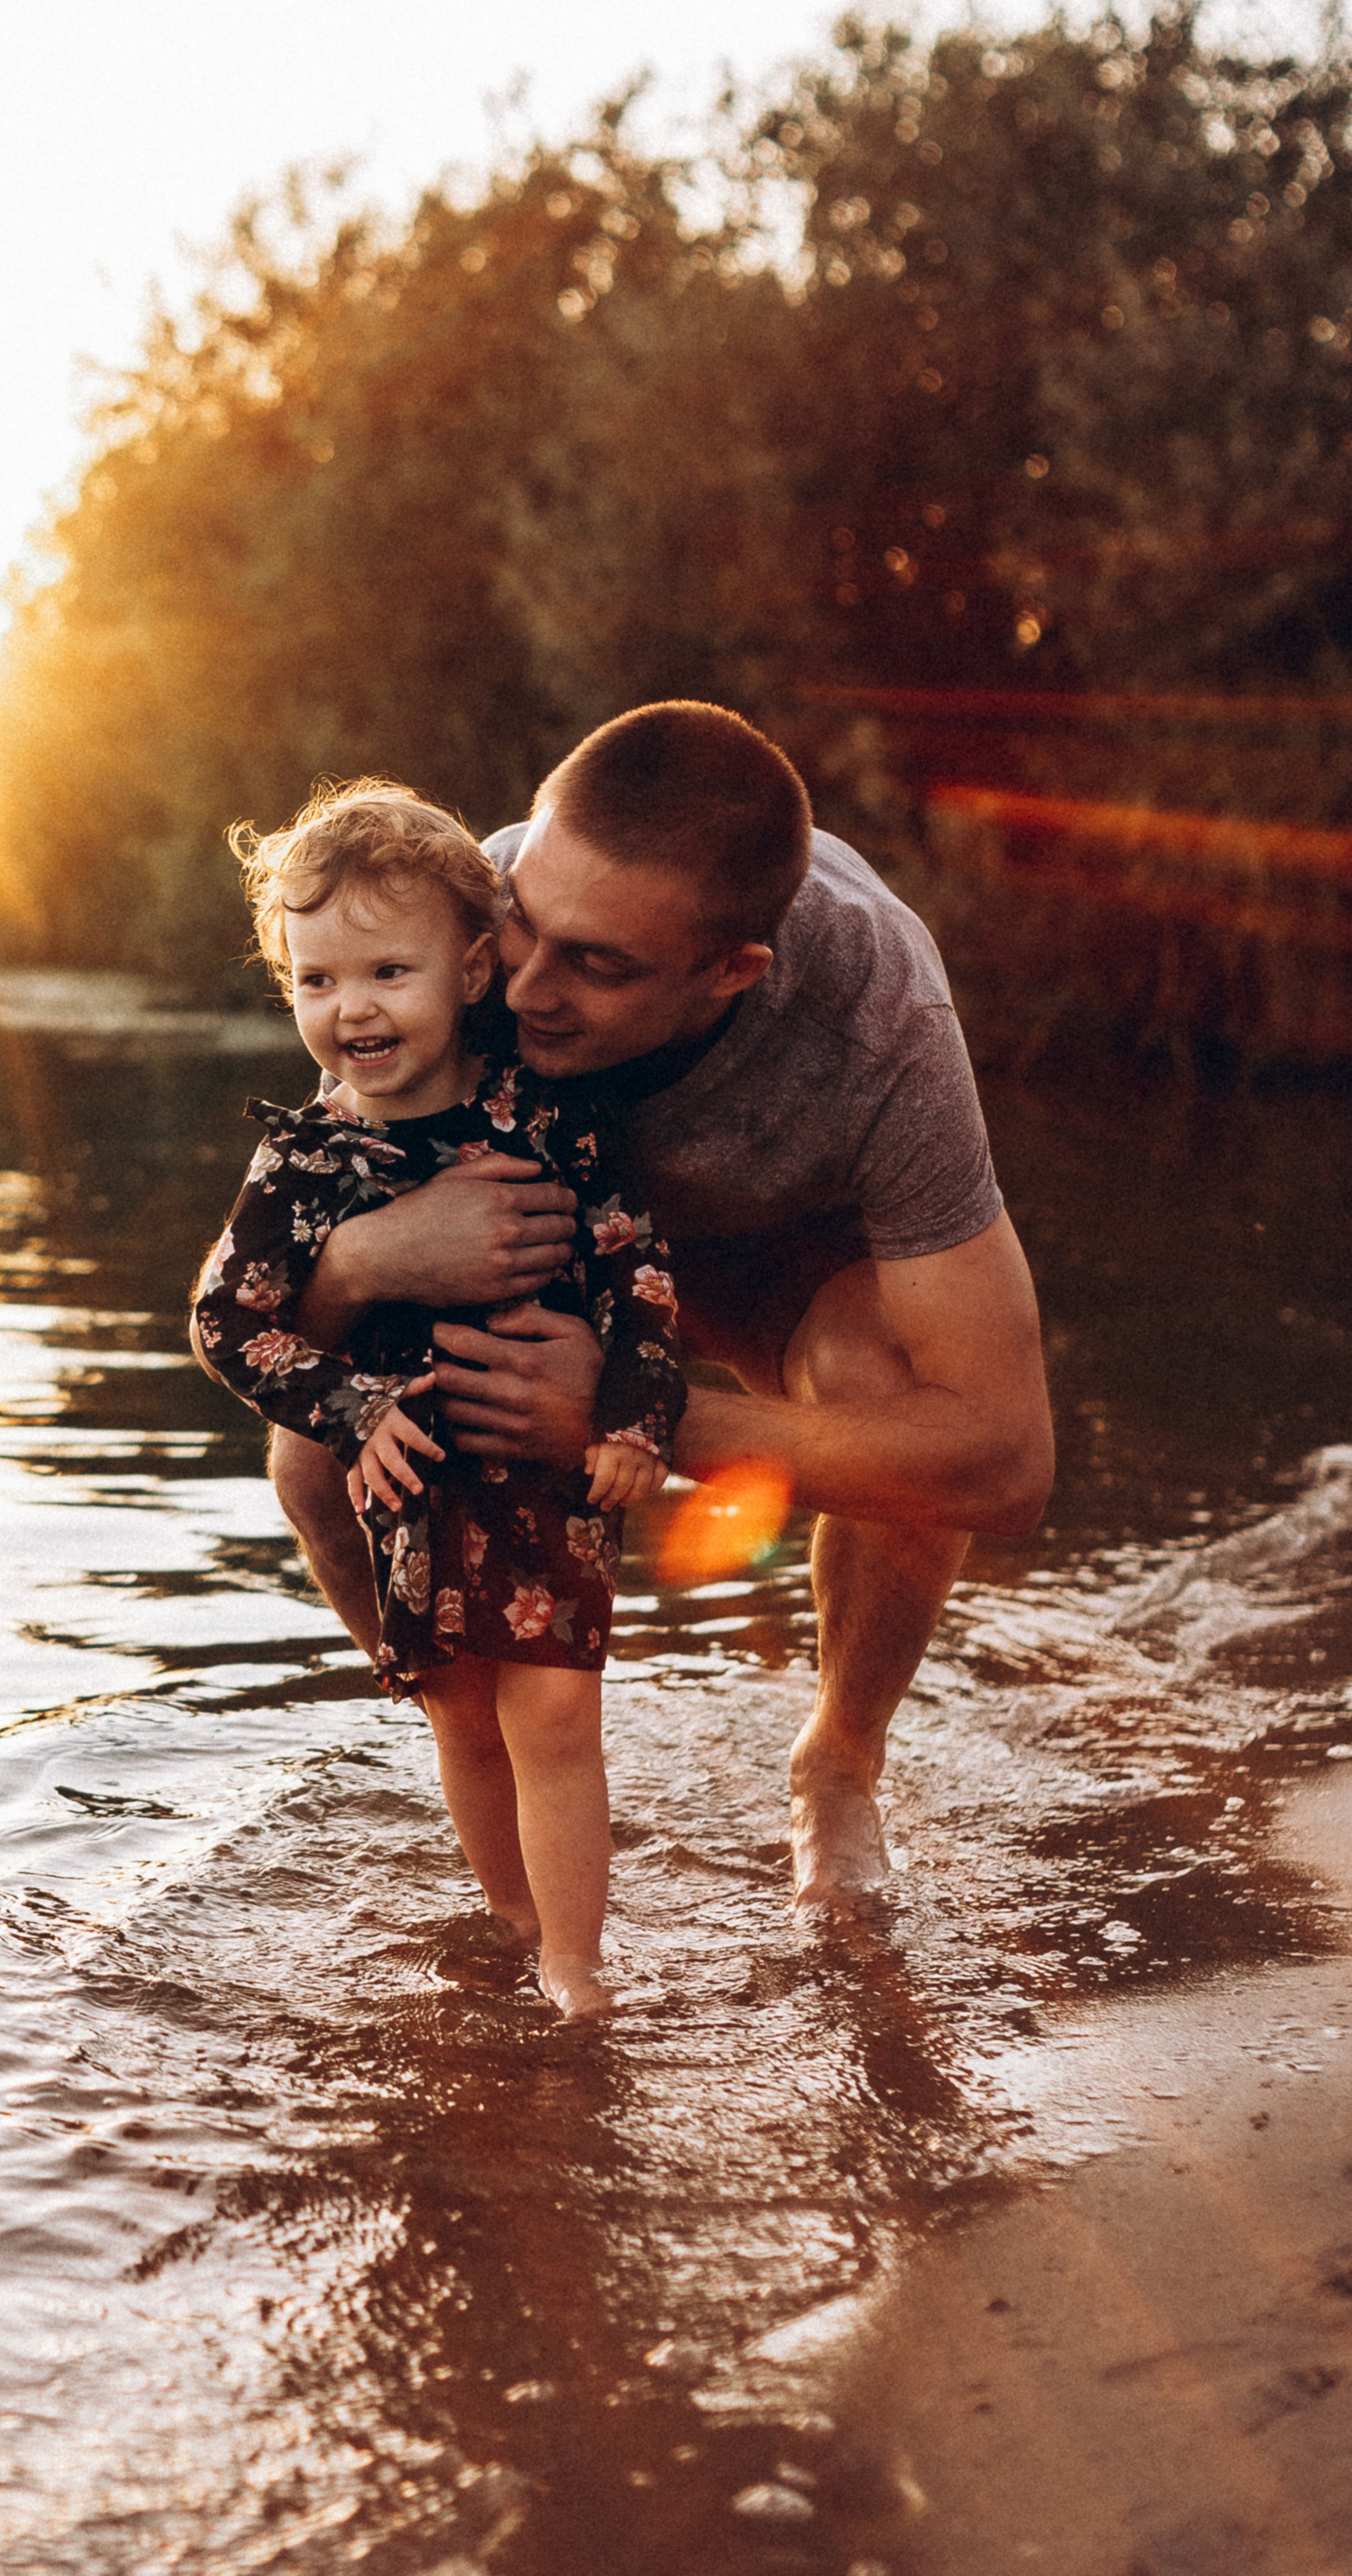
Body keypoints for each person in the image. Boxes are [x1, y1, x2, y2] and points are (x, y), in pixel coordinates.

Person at [268, 703, 1057, 1911]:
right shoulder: (458, 928)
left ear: (728, 973)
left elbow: (1004, 1465)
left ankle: (839, 1761)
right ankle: (472, 1745)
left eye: (600, 963)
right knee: (316, 1461)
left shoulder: (881, 1024)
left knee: (882, 1386)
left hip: (789, 1258)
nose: (524, 988)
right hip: (559, 1236)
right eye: (527, 920)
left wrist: (633, 1418)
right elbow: (284, 1303)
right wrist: (374, 1258)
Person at [192, 783, 687, 2016]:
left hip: (542, 1465)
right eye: (315, 981)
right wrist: (352, 1407)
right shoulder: (303, 1164)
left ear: (472, 971)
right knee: (463, 1718)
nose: (350, 1008)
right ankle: (512, 1922)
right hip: (407, 1485)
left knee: (558, 1712)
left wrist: (637, 1418)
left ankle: (577, 1970)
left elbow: (636, 1267)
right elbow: (223, 1323)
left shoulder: (546, 1122)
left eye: (386, 972)